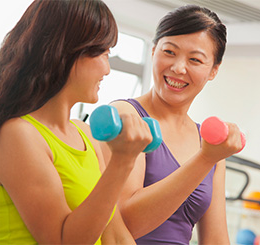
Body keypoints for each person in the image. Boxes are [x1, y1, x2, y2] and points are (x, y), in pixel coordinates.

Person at [0, 0, 153, 244]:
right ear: (66, 53)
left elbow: (114, 235)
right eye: (103, 53)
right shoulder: (18, 133)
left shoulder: (85, 134)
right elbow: (62, 241)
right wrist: (122, 161)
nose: (107, 69)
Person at [100, 5, 244, 244]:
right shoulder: (125, 116)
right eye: (169, 52)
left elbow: (216, 238)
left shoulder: (210, 144)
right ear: (154, 51)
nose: (178, 68)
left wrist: (211, 156)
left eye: (195, 59)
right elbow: (125, 224)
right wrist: (205, 159)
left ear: (213, 71)